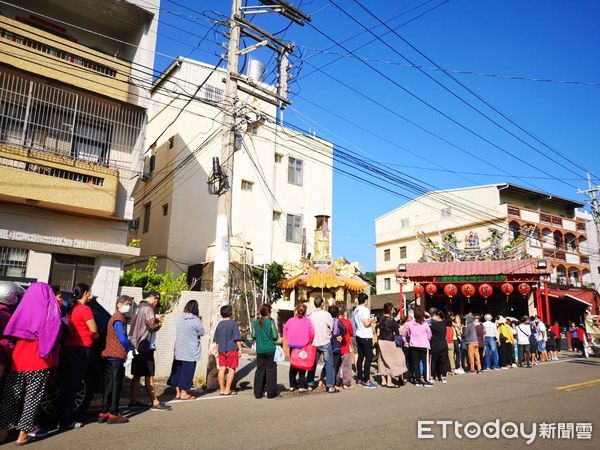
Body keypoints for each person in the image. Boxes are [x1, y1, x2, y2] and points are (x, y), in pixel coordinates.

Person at [0, 283, 61, 446]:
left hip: (18, 361)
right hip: (40, 361)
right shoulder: (49, 311)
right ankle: (22, 435)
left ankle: (2, 431)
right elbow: (53, 334)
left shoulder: (21, 310)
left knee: (10, 397)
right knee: (32, 399)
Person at [58, 283, 98, 429]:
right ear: (86, 293)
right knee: (73, 385)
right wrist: (96, 335)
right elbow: (93, 329)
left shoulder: (71, 309)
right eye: (90, 293)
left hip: (69, 348)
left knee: (66, 385)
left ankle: (61, 417)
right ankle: (66, 421)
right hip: (82, 348)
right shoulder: (85, 309)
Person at [128, 291, 170, 411]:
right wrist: (160, 322)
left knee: (136, 375)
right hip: (145, 345)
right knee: (149, 374)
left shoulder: (139, 306)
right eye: (156, 304)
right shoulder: (148, 308)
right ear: (155, 300)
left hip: (135, 344)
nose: (156, 306)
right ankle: (155, 402)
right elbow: (152, 326)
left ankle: (133, 401)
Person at [99, 295, 135, 424]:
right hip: (117, 355)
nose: (128, 306)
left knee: (108, 384)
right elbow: (122, 337)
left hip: (108, 354)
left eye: (130, 304)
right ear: (118, 304)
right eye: (126, 303)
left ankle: (104, 412)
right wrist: (130, 348)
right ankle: (114, 413)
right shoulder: (119, 318)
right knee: (116, 384)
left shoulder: (113, 317)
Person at [168, 300, 205, 401]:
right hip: (190, 351)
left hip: (179, 349)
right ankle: (184, 393)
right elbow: (201, 332)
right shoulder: (196, 320)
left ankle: (178, 393)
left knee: (177, 371)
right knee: (187, 372)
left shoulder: (180, 317)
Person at [307, 298, 337, 393]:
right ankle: (330, 385)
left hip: (314, 342)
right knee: (329, 363)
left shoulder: (310, 316)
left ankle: (310, 385)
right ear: (322, 304)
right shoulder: (327, 314)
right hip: (325, 341)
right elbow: (331, 327)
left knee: (312, 364)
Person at [213, 305, 243, 396]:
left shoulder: (219, 324)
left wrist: (217, 350)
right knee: (231, 369)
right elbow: (237, 338)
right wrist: (240, 349)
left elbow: (217, 340)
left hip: (221, 349)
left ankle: (222, 389)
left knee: (222, 368)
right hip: (232, 349)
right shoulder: (233, 323)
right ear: (230, 313)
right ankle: (227, 389)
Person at [283, 304, 314, 392]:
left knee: (293, 364)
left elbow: (285, 329)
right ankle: (301, 386)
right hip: (303, 346)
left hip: (293, 346)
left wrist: (289, 338)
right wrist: (310, 341)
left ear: (296, 310)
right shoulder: (307, 321)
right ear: (305, 312)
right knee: (302, 365)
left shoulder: (290, 320)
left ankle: (292, 385)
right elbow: (312, 333)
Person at [251, 304, 279, 399]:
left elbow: (253, 336)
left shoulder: (256, 322)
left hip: (260, 349)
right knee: (270, 371)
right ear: (268, 313)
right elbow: (275, 336)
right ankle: (271, 393)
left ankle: (258, 393)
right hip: (270, 349)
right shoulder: (270, 322)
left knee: (260, 370)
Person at [376, 303, 406, 387]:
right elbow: (397, 332)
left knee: (382, 360)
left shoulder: (380, 319)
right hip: (390, 341)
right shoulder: (392, 321)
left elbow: (378, 331)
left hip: (381, 341)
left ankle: (383, 381)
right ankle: (389, 382)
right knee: (390, 361)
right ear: (390, 310)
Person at [352, 293, 377, 389]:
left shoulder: (356, 309)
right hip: (366, 335)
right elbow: (366, 323)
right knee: (369, 357)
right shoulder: (365, 310)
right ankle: (366, 380)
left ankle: (359, 378)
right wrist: (372, 319)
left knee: (361, 357)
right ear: (365, 300)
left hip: (358, 334)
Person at [320, 305, 346, 390]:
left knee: (327, 363)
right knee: (334, 364)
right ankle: (332, 383)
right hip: (336, 342)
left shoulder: (326, 320)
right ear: (337, 313)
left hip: (327, 341)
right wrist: (341, 336)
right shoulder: (338, 321)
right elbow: (344, 329)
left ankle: (321, 380)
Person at [407, 306, 432, 387]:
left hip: (414, 345)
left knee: (416, 363)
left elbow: (409, 334)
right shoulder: (425, 324)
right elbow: (429, 335)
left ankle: (418, 380)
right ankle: (426, 380)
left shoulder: (410, 324)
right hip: (424, 345)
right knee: (426, 364)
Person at [336, 306, 354, 390]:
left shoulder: (334, 321)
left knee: (336, 365)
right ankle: (346, 383)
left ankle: (336, 383)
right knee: (346, 366)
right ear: (344, 313)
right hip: (345, 346)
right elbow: (351, 332)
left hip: (336, 347)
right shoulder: (347, 322)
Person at [430, 310, 449, 384]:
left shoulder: (433, 325)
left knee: (434, 361)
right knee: (443, 362)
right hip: (443, 344)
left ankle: (432, 376)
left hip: (435, 345)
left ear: (438, 316)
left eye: (434, 315)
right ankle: (443, 377)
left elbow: (430, 334)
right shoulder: (444, 324)